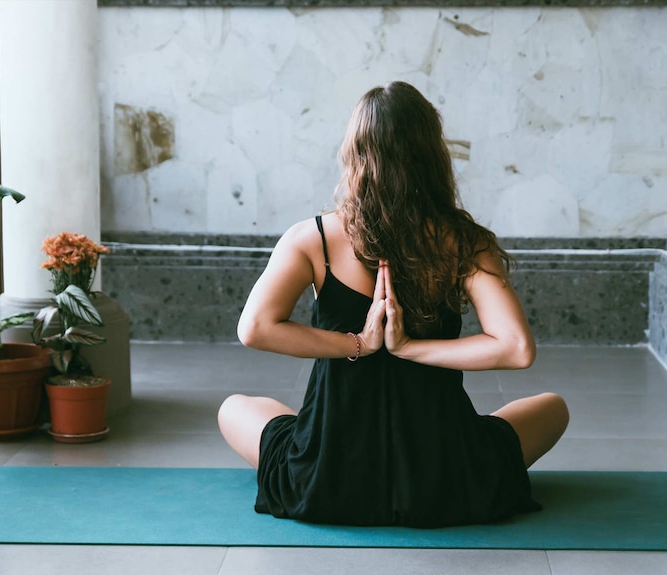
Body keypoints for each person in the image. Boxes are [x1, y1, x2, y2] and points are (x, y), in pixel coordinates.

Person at [217, 82, 569, 528]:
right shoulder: (463, 242)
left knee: (234, 407)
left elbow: (254, 329)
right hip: (447, 479)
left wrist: (360, 344)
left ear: (354, 154)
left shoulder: (312, 239)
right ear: (431, 155)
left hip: (327, 478)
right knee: (553, 406)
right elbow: (517, 348)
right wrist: (409, 347)